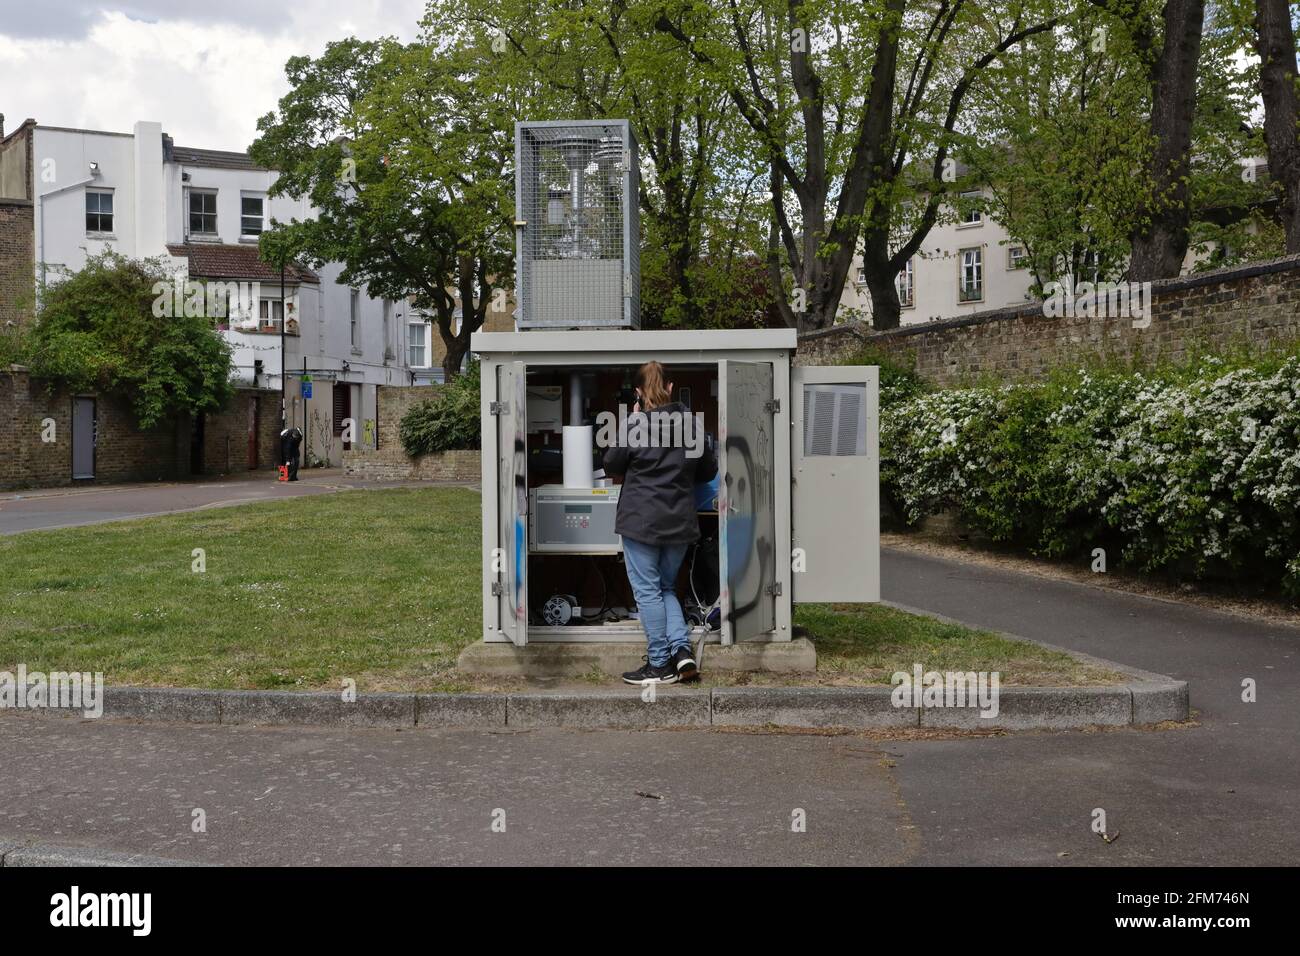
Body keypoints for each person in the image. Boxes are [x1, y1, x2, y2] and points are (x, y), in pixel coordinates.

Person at [603, 361, 717, 685]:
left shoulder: (634, 425)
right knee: (666, 587)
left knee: (648, 593)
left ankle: (658, 664)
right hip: (679, 522)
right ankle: (681, 652)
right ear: (670, 388)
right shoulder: (692, 426)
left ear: (638, 393)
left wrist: (631, 421)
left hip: (641, 522)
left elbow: (611, 462)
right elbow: (708, 471)